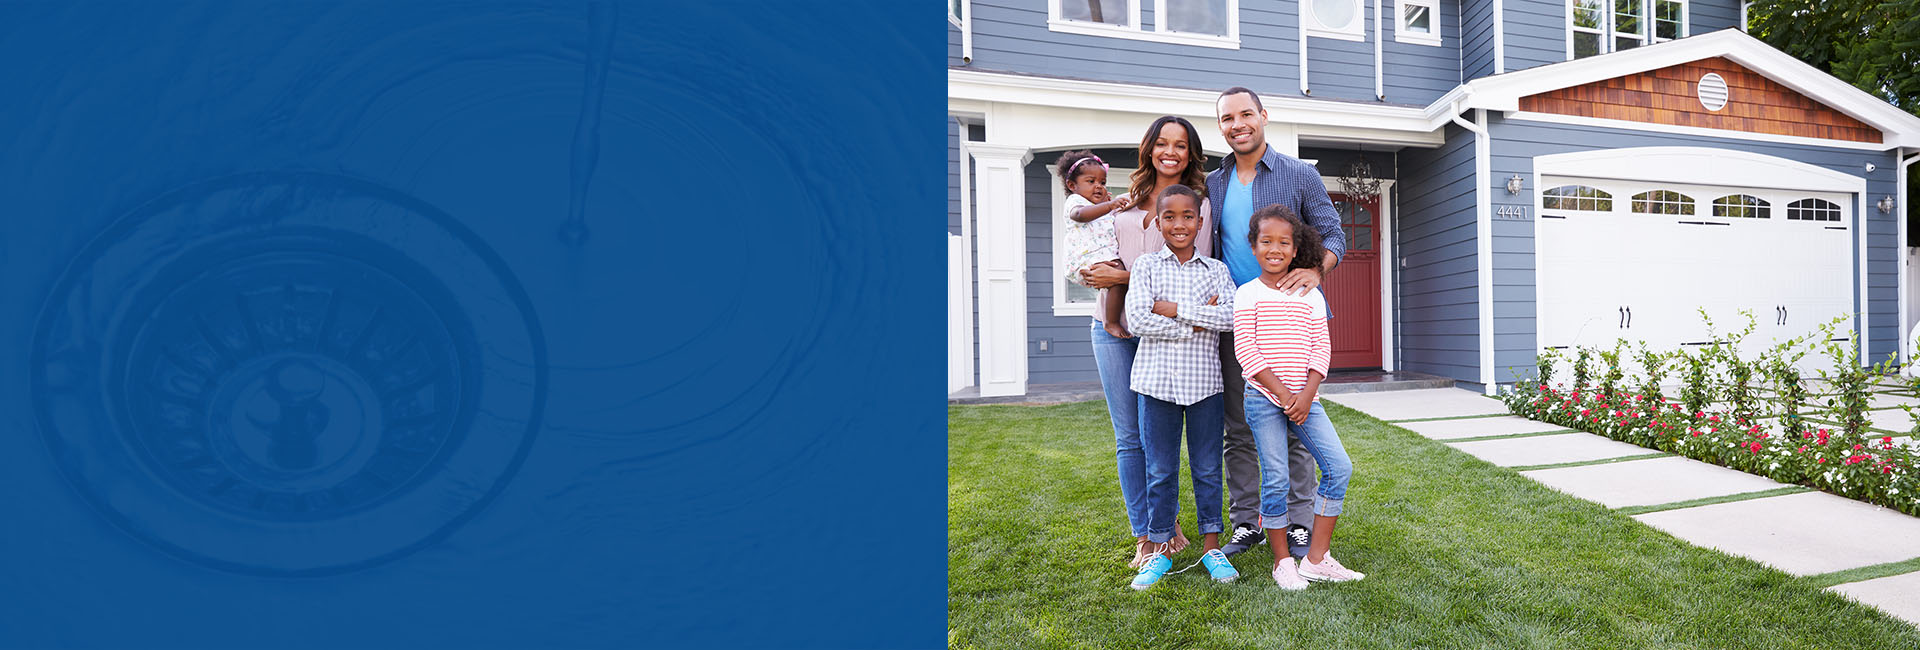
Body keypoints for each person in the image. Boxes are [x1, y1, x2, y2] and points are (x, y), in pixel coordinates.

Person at [1207, 86, 1347, 561]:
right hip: (1240, 320)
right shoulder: (1213, 182)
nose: (1237, 124)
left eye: (1246, 113)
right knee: (1240, 427)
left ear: (1263, 116)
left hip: (1293, 320)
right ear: (1221, 126)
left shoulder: (1298, 174)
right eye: (1227, 118)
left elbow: (1333, 234)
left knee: (1297, 422)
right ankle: (1248, 521)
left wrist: (1317, 269)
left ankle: (1301, 523)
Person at [1081, 116, 1214, 569]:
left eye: (1180, 144)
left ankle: (1166, 520)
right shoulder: (1121, 201)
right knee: (1128, 438)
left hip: (1166, 335)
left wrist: (1122, 275)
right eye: (1162, 143)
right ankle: (1148, 532)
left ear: (1190, 153)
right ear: (1149, 149)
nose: (1170, 152)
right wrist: (1094, 272)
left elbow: (1193, 277)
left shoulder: (1200, 207)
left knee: (1164, 436)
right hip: (1112, 326)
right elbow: (1096, 255)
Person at [1232, 205, 1366, 588]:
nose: (1275, 248)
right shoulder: (1247, 295)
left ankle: (1316, 559)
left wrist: (1306, 395)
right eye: (1266, 241)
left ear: (1295, 249)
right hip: (1263, 398)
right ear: (1253, 247)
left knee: (1338, 468)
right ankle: (1282, 562)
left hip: (1308, 398)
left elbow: (1320, 349)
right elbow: (1247, 352)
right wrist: (1285, 395)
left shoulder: (1311, 294)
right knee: (1276, 479)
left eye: (1284, 242)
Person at [1124, 184, 1239, 590]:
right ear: (1158, 222)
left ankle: (1212, 548)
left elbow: (1229, 318)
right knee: (1159, 469)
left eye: (1187, 216)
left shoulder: (1217, 271)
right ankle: (1158, 549)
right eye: (1169, 217)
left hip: (1205, 385)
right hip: (1155, 385)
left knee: (1208, 468)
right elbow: (1137, 320)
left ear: (1200, 221)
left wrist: (1173, 311)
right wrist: (1196, 320)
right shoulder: (1145, 267)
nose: (1179, 224)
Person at [1056, 150, 1135, 339]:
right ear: (1072, 185)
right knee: (1118, 276)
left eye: (1102, 182)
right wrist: (1108, 205)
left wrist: (1106, 206)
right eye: (1091, 182)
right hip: (1086, 256)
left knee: (1117, 277)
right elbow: (1080, 215)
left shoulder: (1099, 205)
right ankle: (1110, 322)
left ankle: (1112, 319)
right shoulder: (1075, 202)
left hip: (1102, 254)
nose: (1098, 186)